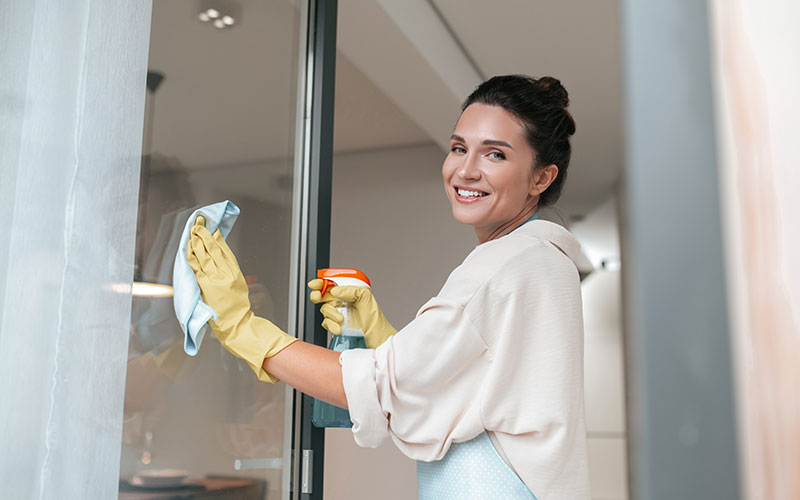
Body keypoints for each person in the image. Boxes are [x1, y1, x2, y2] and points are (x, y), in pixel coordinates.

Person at [187, 75, 590, 499]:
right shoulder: (547, 263)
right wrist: (383, 337)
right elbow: (455, 391)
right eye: (458, 148)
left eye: (495, 154)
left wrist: (241, 326)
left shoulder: (502, 265)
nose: (465, 170)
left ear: (541, 178)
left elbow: (380, 388)